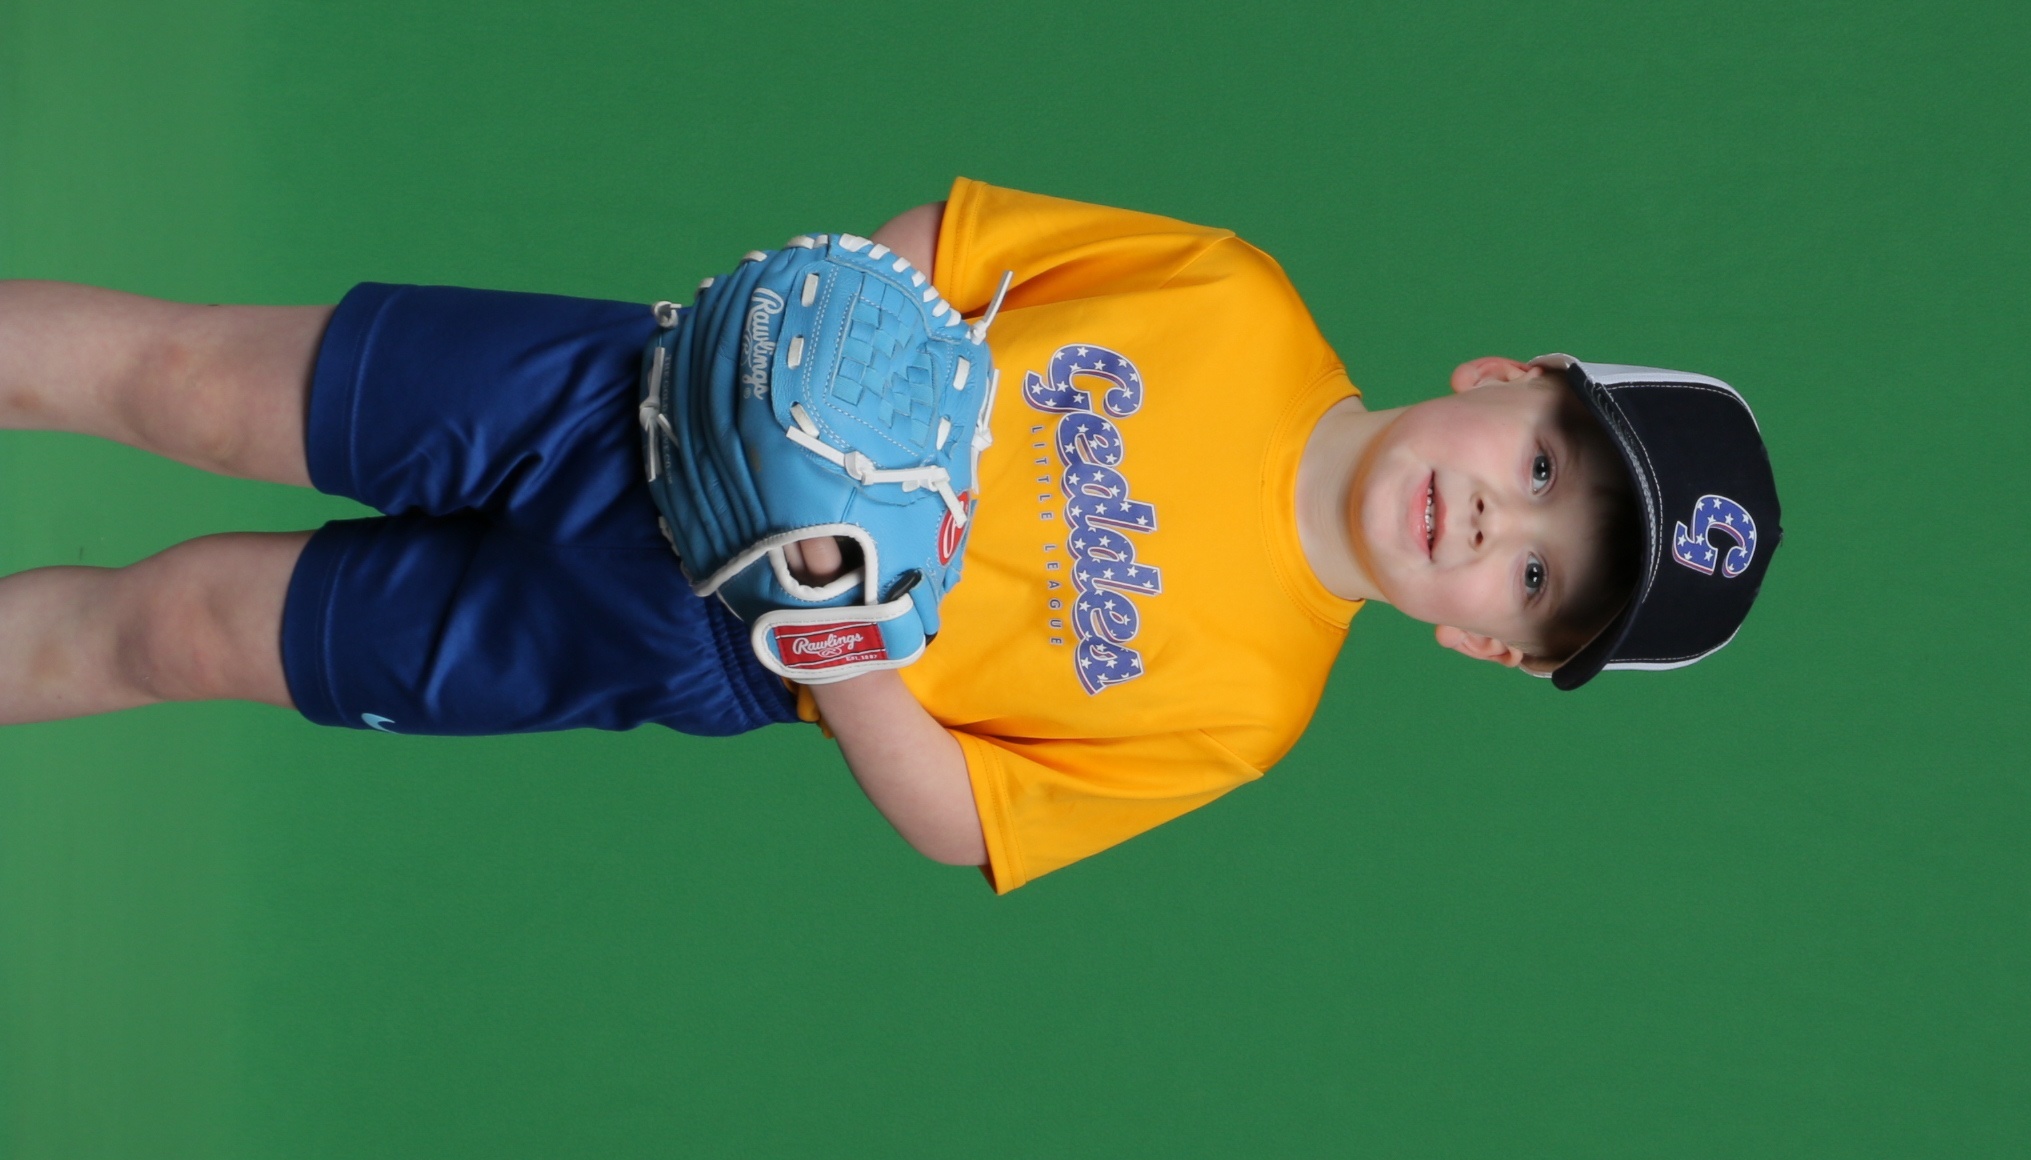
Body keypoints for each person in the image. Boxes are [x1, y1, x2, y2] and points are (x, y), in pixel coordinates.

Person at [0, 180, 1783, 890]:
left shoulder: (1244, 711)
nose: (1495, 518)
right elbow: (944, 245)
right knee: (189, 377)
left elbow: (963, 819)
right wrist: (814, 355)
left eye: (1534, 576)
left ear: (1488, 644)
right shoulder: (1234, 298)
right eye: (1542, 462)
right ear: (1505, 375)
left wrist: (840, 636)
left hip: (690, 639)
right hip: (634, 401)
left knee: (191, 632)